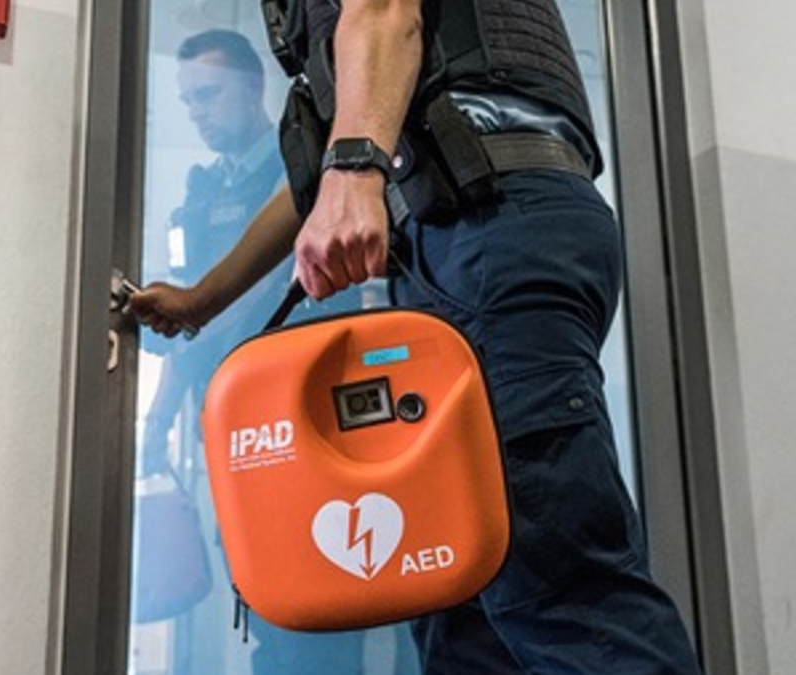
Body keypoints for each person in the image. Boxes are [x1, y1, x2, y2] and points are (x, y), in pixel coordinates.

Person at [131, 2, 704, 674]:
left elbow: (385, 11)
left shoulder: (374, 44)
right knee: (459, 598)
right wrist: (204, 299)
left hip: (490, 221)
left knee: (555, 587)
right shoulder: (359, 94)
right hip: (471, 234)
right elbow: (318, 171)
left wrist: (353, 173)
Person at [134, 28, 382, 675]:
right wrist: (161, 414)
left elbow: (263, 297)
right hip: (237, 428)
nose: (199, 112)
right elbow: (188, 333)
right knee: (266, 594)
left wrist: (204, 312)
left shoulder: (305, 176)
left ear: (252, 88)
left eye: (209, 94)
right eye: (188, 101)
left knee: (319, 603)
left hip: (307, 416)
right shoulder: (198, 197)